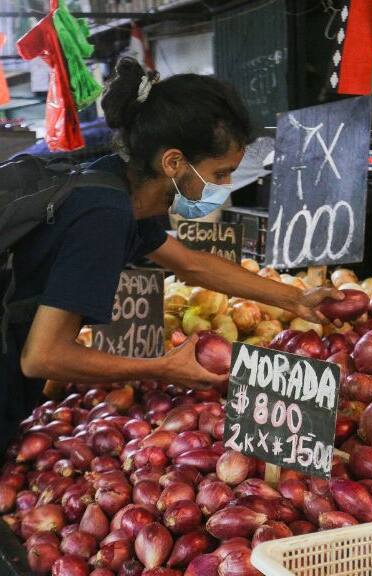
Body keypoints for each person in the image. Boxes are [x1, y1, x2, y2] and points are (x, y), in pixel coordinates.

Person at [0, 57, 342, 448]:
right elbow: (42, 357)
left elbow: (191, 265)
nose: (227, 185)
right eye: (219, 174)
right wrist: (163, 368)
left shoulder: (117, 186)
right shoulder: (103, 215)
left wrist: (295, 298)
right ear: (173, 162)